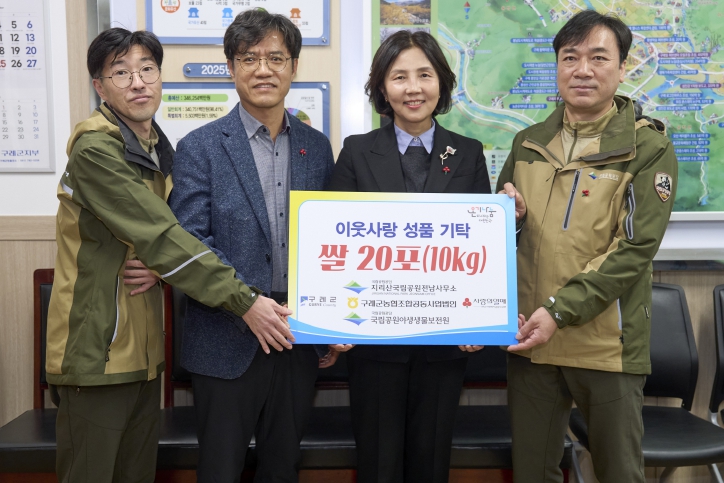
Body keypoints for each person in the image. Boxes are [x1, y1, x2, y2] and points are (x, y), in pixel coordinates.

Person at [47, 28, 290, 483]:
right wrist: (244, 301)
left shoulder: (156, 149)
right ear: (100, 87)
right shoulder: (96, 150)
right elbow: (163, 237)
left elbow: (163, 244)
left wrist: (162, 270)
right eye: (121, 73)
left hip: (141, 355)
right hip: (96, 350)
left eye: (147, 69)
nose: (138, 82)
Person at [497, 10, 678, 483]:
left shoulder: (647, 147)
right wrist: (511, 221)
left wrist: (558, 311)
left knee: (619, 473)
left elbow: (634, 248)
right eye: (570, 57)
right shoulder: (526, 143)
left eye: (598, 58)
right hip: (531, 342)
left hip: (605, 345)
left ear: (622, 68)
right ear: (557, 66)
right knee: (531, 472)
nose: (582, 70)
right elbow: (497, 239)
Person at [168, 9, 334, 482]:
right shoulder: (199, 147)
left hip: (296, 336)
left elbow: (330, 240)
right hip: (225, 336)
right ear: (231, 67)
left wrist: (333, 318)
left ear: (294, 67)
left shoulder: (318, 147)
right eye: (249, 58)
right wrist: (247, 304)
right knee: (220, 470)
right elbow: (190, 242)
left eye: (276, 58)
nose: (264, 70)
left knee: (283, 467)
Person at [326, 30, 490, 483]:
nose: (413, 88)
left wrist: (479, 319)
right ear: (382, 87)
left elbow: (481, 246)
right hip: (373, 342)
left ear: (442, 83)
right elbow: (334, 243)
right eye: (399, 77)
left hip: (445, 342)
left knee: (431, 461)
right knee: (377, 463)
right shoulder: (357, 151)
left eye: (425, 75)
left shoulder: (469, 153)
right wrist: (334, 321)